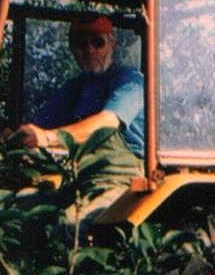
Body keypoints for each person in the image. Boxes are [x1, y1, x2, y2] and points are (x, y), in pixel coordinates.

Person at [12, 13, 146, 227]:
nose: (90, 50)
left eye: (97, 42)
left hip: (121, 180)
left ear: (112, 44)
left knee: (70, 226)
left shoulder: (130, 82)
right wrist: (11, 133)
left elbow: (107, 122)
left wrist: (48, 137)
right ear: (72, 50)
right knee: (17, 212)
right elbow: (37, 125)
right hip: (80, 178)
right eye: (81, 45)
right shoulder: (75, 88)